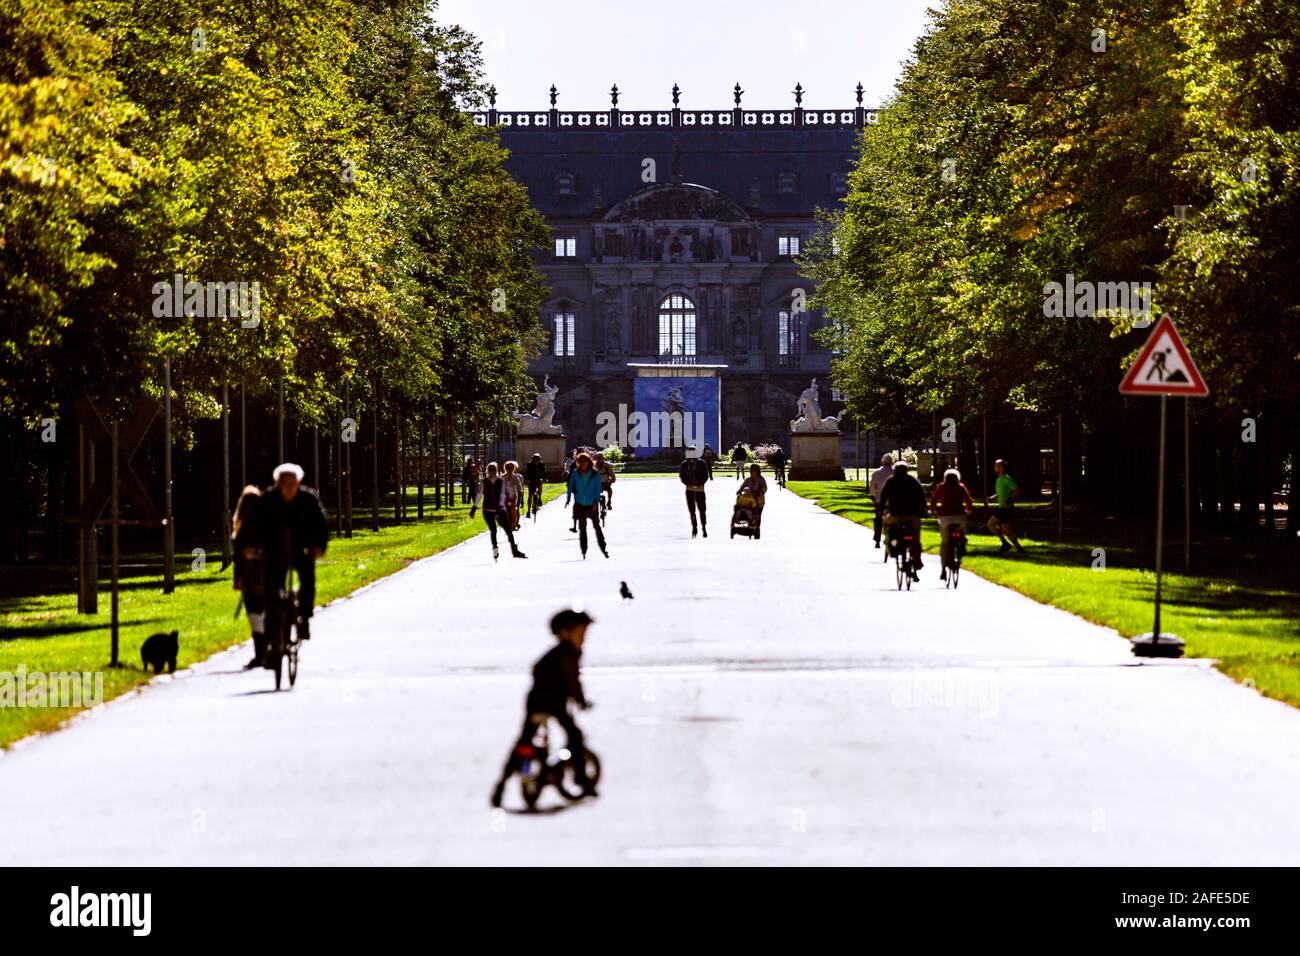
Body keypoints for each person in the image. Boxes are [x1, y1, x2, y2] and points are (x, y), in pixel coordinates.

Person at [490, 609, 596, 807]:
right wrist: (580, 701)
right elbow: (573, 682)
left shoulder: (558, 654)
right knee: (574, 736)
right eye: (580, 633)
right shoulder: (567, 653)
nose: (583, 638)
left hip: (536, 703)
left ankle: (501, 785)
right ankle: (581, 779)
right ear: (565, 633)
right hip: (553, 704)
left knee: (524, 743)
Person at [255, 463, 328, 645]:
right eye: (283, 483)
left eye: (292, 482)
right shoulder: (268, 499)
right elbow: (255, 525)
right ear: (277, 483)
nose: (287, 487)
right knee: (271, 589)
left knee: (308, 580)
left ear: (299, 482)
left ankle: (304, 617)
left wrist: (319, 546)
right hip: (274, 550)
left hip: (302, 548)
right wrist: (253, 546)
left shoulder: (308, 499)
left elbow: (320, 524)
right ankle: (273, 635)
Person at [231, 485, 267, 669]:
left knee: (254, 614)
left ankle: (260, 653)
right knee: (264, 612)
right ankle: (266, 649)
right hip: (267, 574)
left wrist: (238, 579)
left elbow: (238, 558)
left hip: (252, 578)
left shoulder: (242, 529)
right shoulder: (267, 525)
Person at [879, 461, 926, 580]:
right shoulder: (912, 481)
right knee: (916, 539)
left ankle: (893, 544)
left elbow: (883, 496)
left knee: (888, 527)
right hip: (912, 515)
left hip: (895, 514)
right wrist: (923, 510)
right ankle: (916, 560)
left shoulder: (891, 481)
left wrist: (881, 510)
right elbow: (922, 496)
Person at [472, 461, 527, 561]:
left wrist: (500, 506)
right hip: (487, 510)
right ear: (488, 471)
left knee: (508, 531)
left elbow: (502, 494)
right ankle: (495, 549)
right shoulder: (484, 482)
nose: (492, 472)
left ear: (496, 471)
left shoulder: (500, 481)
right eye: (490, 470)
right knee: (493, 530)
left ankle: (515, 551)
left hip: (499, 509)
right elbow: (479, 494)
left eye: (494, 470)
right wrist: (474, 507)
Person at [930, 467, 974, 581]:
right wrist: (969, 510)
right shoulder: (960, 487)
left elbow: (933, 500)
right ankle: (962, 543)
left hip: (945, 517)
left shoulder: (942, 487)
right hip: (959, 516)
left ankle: (944, 568)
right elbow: (968, 500)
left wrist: (933, 510)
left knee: (945, 543)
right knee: (962, 530)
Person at [565, 451, 608, 558]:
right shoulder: (575, 473)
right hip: (580, 503)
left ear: (589, 462)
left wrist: (595, 502)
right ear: (578, 462)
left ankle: (603, 547)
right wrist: (568, 498)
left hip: (591, 503)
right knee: (582, 528)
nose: (583, 463)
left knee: (596, 526)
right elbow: (571, 486)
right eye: (581, 461)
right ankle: (584, 549)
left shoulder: (594, 474)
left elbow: (597, 489)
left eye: (585, 461)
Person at [987, 458, 1025, 554]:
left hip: (1006, 508)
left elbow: (1017, 490)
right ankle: (1019, 549)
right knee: (1007, 531)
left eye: (998, 466)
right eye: (995, 465)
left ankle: (1005, 543)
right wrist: (992, 497)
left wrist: (1009, 500)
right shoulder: (998, 479)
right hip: (1003, 508)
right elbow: (999, 492)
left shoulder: (1007, 478)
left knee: (990, 524)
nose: (995, 467)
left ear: (1003, 468)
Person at [679, 444, 712, 538]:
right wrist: (688, 483)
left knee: (702, 510)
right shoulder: (684, 464)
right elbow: (682, 476)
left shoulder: (702, 463)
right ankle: (694, 526)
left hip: (700, 489)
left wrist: (699, 484)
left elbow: (706, 476)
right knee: (692, 510)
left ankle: (704, 527)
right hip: (689, 489)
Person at [869, 453, 895, 549]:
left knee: (878, 519)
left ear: (882, 462)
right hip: (893, 501)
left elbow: (872, 487)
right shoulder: (895, 472)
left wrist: (874, 496)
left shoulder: (877, 472)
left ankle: (877, 539)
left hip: (879, 500)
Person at [501, 460, 525, 531]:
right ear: (506, 469)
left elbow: (519, 485)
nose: (510, 470)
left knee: (513, 509)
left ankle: (514, 524)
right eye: (508, 468)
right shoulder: (502, 477)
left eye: (511, 468)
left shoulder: (515, 477)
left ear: (513, 469)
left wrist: (520, 490)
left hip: (513, 496)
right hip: (504, 495)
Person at [523, 453, 546, 519]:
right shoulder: (529, 465)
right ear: (533, 460)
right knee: (530, 495)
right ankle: (528, 510)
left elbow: (543, 473)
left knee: (540, 485)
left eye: (538, 460)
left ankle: (539, 498)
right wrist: (527, 480)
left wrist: (544, 479)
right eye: (535, 460)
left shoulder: (541, 465)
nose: (536, 461)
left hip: (538, 479)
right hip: (531, 480)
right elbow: (527, 473)